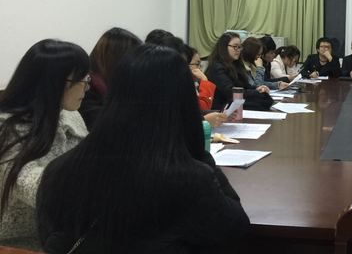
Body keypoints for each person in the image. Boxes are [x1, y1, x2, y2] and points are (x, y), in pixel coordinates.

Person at [37, 44, 249, 253]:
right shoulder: (190, 180)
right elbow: (235, 229)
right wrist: (200, 154)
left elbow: (50, 240)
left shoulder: (59, 171)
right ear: (183, 103)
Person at [0, 40, 90, 249]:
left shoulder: (71, 116)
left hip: (62, 236)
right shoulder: (8, 129)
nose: (87, 87)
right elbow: (33, 187)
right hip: (16, 243)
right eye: (83, 79)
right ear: (56, 83)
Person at [79, 27, 142, 130]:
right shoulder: (84, 91)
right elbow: (109, 128)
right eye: (135, 59)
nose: (138, 66)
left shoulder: (113, 85)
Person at [205, 32, 274, 111]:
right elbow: (230, 92)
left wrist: (257, 88)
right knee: (262, 99)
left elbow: (244, 85)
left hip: (234, 101)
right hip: (222, 106)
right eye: (235, 47)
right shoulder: (216, 67)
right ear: (223, 47)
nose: (238, 50)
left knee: (264, 98)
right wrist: (256, 92)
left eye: (239, 47)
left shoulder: (235, 64)